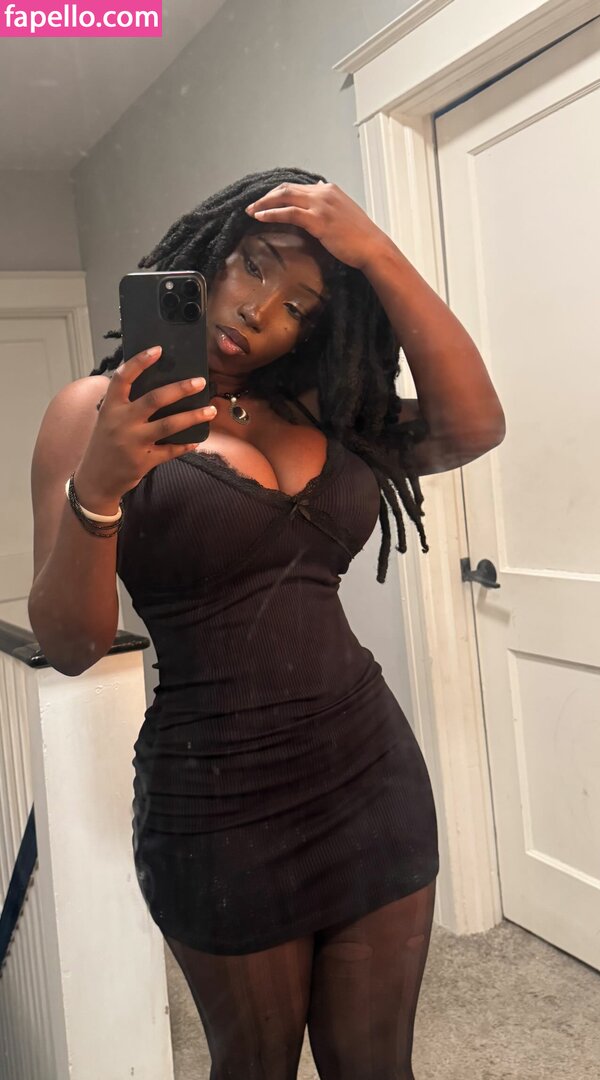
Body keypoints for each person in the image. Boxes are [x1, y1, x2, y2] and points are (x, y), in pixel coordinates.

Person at [28, 166, 505, 1079]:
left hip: (368, 769)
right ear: (210, 254)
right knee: (254, 1063)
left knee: (377, 1064)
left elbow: (473, 426)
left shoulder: (321, 407)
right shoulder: (91, 414)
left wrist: (381, 255)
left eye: (299, 308)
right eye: (253, 266)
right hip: (218, 800)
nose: (259, 311)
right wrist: (101, 485)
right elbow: (70, 644)